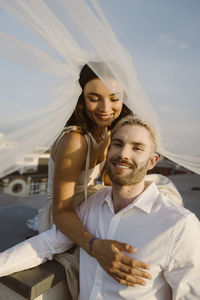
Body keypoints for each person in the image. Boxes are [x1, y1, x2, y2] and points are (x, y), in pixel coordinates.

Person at [0, 114, 199, 300]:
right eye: (118, 144)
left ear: (152, 161)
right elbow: (47, 244)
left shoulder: (179, 225)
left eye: (137, 148)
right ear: (108, 151)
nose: (123, 154)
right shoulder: (91, 206)